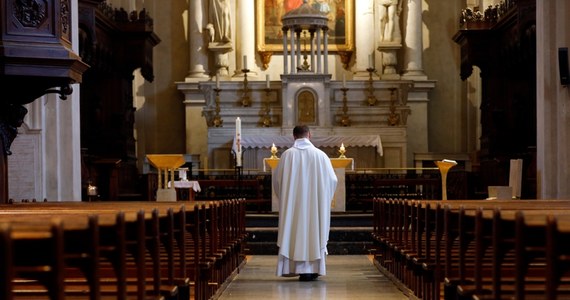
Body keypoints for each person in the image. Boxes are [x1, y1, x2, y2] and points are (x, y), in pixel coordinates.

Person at [273, 125, 338, 281]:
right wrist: (323, 198)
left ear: (294, 137)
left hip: (293, 207)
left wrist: (286, 198)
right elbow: (333, 180)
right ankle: (314, 269)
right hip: (315, 208)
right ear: (310, 135)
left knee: (293, 231)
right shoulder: (321, 155)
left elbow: (277, 182)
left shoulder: (287, 156)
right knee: (314, 232)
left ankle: (292, 267)